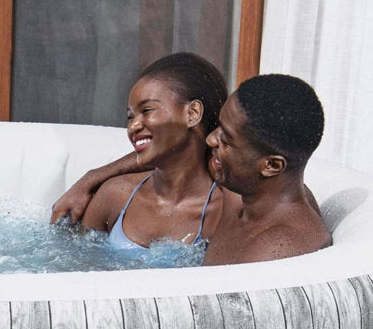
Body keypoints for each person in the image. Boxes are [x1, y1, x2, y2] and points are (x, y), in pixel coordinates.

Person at [79, 53, 227, 252]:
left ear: (192, 113)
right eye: (130, 117)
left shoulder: (222, 212)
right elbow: (75, 264)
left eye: (147, 110)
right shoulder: (115, 195)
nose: (133, 126)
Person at [203, 74, 331, 264]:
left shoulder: (277, 251)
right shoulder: (246, 196)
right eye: (218, 127)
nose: (210, 139)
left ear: (271, 165)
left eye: (226, 140)